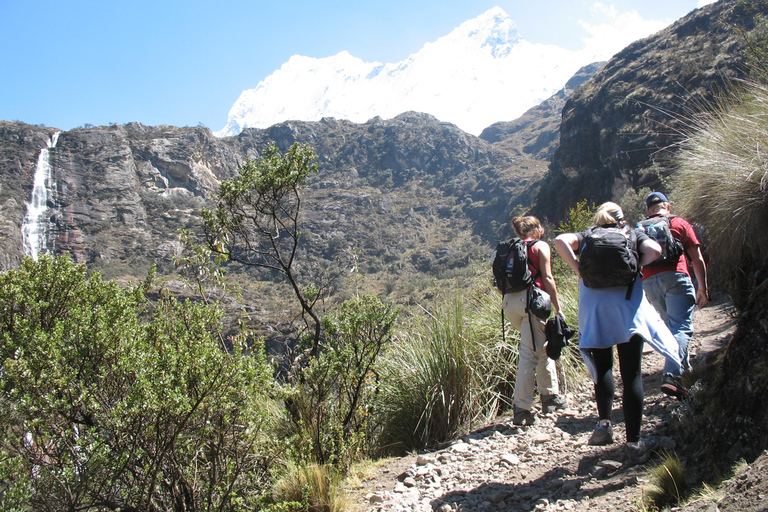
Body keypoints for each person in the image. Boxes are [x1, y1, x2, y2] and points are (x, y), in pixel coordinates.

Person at [555, 202, 680, 459]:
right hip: (628, 311)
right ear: (622, 218)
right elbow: (655, 250)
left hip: (595, 311)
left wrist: (579, 269)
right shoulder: (632, 233)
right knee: (631, 373)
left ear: (598, 218)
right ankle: (634, 443)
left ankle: (604, 425)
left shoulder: (588, 235)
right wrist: (637, 265)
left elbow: (559, 240)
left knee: (603, 367)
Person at [640, 192, 709, 400]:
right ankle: (672, 375)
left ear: (648, 211)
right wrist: (703, 289)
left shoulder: (640, 229)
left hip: (649, 283)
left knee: (671, 328)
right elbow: (696, 258)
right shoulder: (679, 223)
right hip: (676, 277)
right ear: (667, 206)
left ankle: (683, 376)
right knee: (681, 327)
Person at [502, 216, 568, 426]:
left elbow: (499, 281)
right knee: (529, 355)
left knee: (540, 346)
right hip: (532, 302)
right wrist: (558, 308)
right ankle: (521, 409)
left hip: (509, 303)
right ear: (537, 229)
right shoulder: (540, 246)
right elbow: (547, 278)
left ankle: (550, 397)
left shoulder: (508, 249)